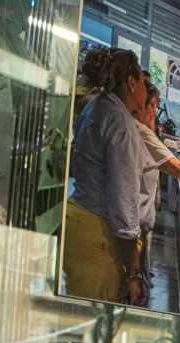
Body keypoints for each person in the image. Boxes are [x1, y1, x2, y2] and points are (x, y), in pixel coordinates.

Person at [66, 47, 148, 304]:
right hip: (98, 235)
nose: (146, 90)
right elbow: (123, 203)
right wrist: (133, 273)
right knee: (94, 317)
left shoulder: (95, 106)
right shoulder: (121, 126)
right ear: (132, 83)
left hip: (77, 217)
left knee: (78, 310)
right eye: (143, 82)